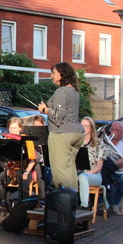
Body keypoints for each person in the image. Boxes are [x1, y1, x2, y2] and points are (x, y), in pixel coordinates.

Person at [38, 62, 85, 190]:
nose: (51, 75)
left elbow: (58, 116)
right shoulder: (74, 91)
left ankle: (63, 205)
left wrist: (44, 110)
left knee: (60, 172)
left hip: (62, 134)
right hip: (77, 133)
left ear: (62, 74)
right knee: (70, 171)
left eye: (54, 73)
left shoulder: (61, 91)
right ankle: (73, 202)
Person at [0, 117, 38, 202]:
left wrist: (27, 172)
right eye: (10, 128)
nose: (12, 130)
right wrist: (6, 168)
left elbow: (32, 160)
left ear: (20, 128)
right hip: (10, 169)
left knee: (22, 190)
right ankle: (9, 201)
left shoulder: (26, 140)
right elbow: (0, 159)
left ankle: (13, 203)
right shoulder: (6, 139)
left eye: (14, 128)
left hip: (24, 170)